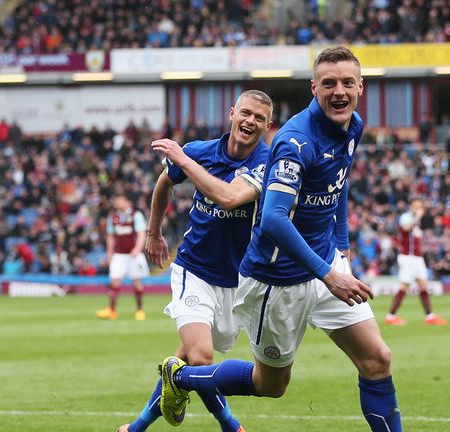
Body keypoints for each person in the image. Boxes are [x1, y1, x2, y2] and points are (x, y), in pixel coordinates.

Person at [156, 46, 402, 432]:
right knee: (270, 385)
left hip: (323, 264)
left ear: (361, 87)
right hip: (278, 278)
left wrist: (341, 246)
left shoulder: (352, 124)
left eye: (347, 83)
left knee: (377, 360)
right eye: (328, 84)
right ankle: (181, 377)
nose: (339, 91)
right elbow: (271, 220)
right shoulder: (294, 143)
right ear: (313, 88)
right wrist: (329, 274)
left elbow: (339, 183)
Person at [116, 89, 273, 432]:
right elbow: (164, 182)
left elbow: (230, 198)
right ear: (232, 113)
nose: (250, 121)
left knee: (183, 363)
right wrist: (154, 232)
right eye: (245, 113)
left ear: (267, 125)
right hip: (194, 271)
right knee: (201, 358)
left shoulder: (266, 163)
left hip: (236, 281)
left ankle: (137, 426)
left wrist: (183, 158)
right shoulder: (202, 151)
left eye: (259, 118)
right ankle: (231, 425)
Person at [385, 199, 448, 326]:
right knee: (404, 286)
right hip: (408, 257)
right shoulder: (406, 217)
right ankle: (390, 316)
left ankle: (430, 316)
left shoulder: (417, 222)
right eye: (418, 207)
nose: (421, 209)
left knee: (423, 285)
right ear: (412, 207)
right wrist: (417, 217)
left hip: (417, 258)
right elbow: (406, 227)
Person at [96, 193, 150, 321]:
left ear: (128, 202)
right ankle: (112, 311)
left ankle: (139, 310)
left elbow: (142, 233)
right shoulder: (113, 217)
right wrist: (109, 254)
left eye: (119, 199)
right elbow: (110, 237)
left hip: (133, 255)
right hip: (119, 255)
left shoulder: (136, 215)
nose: (116, 202)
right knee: (115, 282)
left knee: (137, 283)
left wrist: (137, 248)